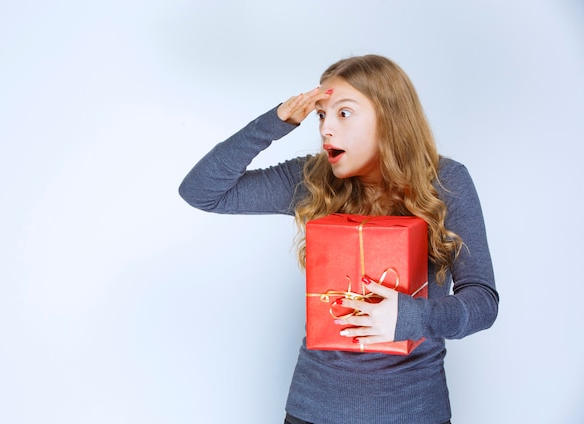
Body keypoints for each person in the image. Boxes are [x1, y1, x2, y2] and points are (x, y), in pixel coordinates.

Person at [178, 54, 498, 424]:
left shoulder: (445, 182)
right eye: (321, 115)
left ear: (389, 118)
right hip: (312, 412)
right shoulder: (312, 179)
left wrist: (415, 316)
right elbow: (202, 191)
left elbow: (483, 301)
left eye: (343, 113)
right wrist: (274, 122)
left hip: (414, 412)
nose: (326, 129)